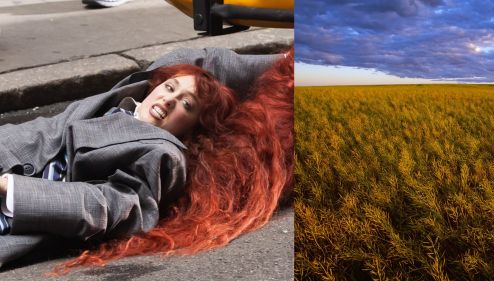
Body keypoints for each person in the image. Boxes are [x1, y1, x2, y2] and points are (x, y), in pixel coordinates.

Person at [0, 47, 293, 272]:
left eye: (186, 105)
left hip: (15, 212)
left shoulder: (163, 155)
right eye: (169, 88)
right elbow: (205, 59)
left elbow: (107, 206)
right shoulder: (126, 95)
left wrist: (9, 188)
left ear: (194, 128)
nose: (168, 100)